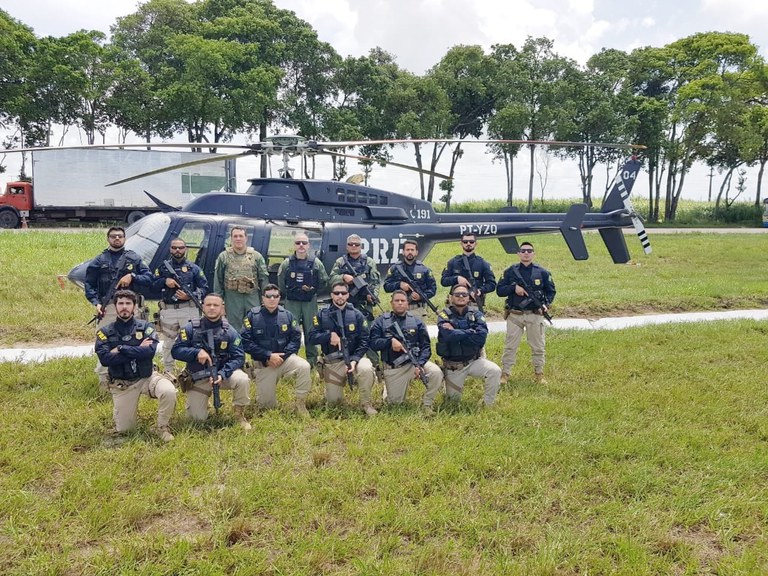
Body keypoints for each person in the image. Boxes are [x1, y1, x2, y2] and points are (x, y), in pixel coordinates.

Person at [95, 289, 177, 442]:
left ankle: (162, 427)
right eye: (121, 303)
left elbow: (150, 352)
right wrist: (139, 348)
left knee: (169, 391)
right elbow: (105, 359)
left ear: (134, 307)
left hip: (147, 376)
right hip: (123, 384)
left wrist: (120, 348)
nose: (124, 307)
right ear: (116, 306)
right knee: (126, 430)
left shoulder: (146, 327)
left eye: (128, 303)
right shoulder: (104, 332)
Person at [171, 293, 252, 430]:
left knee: (242, 379)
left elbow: (239, 357)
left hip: (222, 375)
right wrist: (196, 353)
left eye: (216, 305)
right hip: (199, 377)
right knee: (196, 420)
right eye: (208, 305)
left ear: (222, 308)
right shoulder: (190, 328)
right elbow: (176, 351)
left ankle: (239, 414)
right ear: (203, 307)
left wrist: (222, 374)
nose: (212, 308)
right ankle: (204, 402)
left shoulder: (230, 332)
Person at [85, 226, 154, 389]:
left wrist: (132, 276)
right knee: (104, 343)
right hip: (108, 308)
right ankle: (104, 382)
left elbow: (149, 278)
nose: (117, 239)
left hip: (130, 308)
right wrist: (96, 302)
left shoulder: (134, 258)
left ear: (125, 239)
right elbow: (89, 284)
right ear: (108, 239)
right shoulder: (99, 260)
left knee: (135, 342)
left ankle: (135, 378)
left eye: (120, 236)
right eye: (114, 236)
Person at [241, 284, 312, 418]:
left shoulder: (287, 315)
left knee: (304, 366)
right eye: (268, 296)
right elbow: (245, 342)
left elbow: (296, 339)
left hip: (284, 359)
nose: (272, 299)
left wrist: (283, 357)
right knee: (267, 407)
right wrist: (268, 356)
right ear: (263, 298)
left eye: (275, 296)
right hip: (264, 363)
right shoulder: (252, 316)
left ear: (279, 298)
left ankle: (300, 403)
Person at [308, 281, 377, 416]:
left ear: (347, 295)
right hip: (333, 361)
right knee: (334, 403)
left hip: (353, 359)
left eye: (343, 293)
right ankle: (330, 389)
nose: (340, 296)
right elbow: (311, 337)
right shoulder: (321, 315)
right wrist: (329, 336)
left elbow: (365, 340)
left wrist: (355, 359)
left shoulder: (357, 315)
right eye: (336, 293)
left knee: (366, 368)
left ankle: (366, 403)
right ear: (331, 295)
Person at [369, 290, 443, 415]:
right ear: (391, 303)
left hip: (415, 363)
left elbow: (426, 347)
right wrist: (390, 342)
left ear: (407, 304)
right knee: (395, 405)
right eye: (396, 301)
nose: (399, 303)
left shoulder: (417, 322)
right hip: (394, 367)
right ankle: (387, 392)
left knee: (436, 373)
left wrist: (420, 364)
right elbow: (373, 344)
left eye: (402, 301)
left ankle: (427, 404)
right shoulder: (381, 321)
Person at [496, 241, 556, 384]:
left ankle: (539, 373)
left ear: (533, 254)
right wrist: (513, 288)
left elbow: (551, 291)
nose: (526, 253)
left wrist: (546, 304)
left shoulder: (542, 272)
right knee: (510, 346)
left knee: (538, 346)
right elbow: (499, 290)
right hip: (515, 315)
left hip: (534, 314)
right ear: (518, 254)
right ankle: (505, 374)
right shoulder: (510, 271)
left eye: (529, 251)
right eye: (523, 251)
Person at [436, 284, 501, 407]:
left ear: (468, 298)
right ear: (451, 297)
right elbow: (447, 335)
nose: (461, 297)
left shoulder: (477, 314)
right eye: (457, 295)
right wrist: (470, 331)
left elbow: (481, 337)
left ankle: (488, 404)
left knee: (495, 371)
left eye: (464, 295)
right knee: (453, 403)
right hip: (454, 366)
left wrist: (456, 330)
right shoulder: (443, 315)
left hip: (474, 361)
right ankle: (446, 385)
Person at [152, 238, 209, 375]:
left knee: (193, 341)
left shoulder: (194, 268)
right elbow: (153, 285)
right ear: (170, 249)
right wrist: (165, 281)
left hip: (188, 309)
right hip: (168, 310)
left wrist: (190, 295)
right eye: (174, 248)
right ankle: (169, 371)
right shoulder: (162, 268)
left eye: (181, 248)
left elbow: (204, 288)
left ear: (186, 249)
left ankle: (192, 371)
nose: (178, 250)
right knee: (168, 343)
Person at [277, 233, 329, 368]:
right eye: (298, 242)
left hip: (309, 302)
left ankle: (312, 361)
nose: (301, 245)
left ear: (308, 245)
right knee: (290, 330)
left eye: (304, 243)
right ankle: (290, 360)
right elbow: (281, 283)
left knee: (311, 330)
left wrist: (312, 292)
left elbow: (323, 281)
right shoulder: (286, 263)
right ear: (294, 245)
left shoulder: (316, 263)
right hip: (292, 302)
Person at [213, 226, 268, 332]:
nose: (238, 239)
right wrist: (219, 303)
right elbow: (218, 281)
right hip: (232, 299)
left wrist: (265, 299)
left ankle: (252, 348)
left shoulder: (256, 257)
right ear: (231, 238)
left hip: (252, 297)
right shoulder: (223, 257)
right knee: (234, 328)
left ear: (246, 238)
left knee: (255, 324)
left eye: (241, 236)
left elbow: (263, 279)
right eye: (235, 236)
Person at [329, 234, 381, 322]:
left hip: (363, 305)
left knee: (365, 332)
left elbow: (376, 282)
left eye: (356, 244)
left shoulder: (369, 262)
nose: (353, 246)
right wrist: (343, 277)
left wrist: (373, 295)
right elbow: (331, 279)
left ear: (361, 247)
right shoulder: (340, 262)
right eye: (350, 244)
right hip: (343, 304)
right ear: (347, 246)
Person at [383, 239, 437, 322]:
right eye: (407, 250)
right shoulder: (395, 268)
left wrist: (421, 296)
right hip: (399, 309)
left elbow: (432, 289)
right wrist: (399, 284)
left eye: (412, 250)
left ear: (416, 252)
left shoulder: (424, 269)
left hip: (417, 309)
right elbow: (386, 287)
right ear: (403, 252)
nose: (410, 252)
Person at [440, 232, 496, 312]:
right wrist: (457, 279)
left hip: (474, 304)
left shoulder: (482, 263)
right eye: (465, 242)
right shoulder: (453, 262)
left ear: (476, 244)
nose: (468, 244)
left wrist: (480, 290)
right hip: (455, 305)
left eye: (471, 242)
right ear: (461, 243)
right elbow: (443, 281)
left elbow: (492, 284)